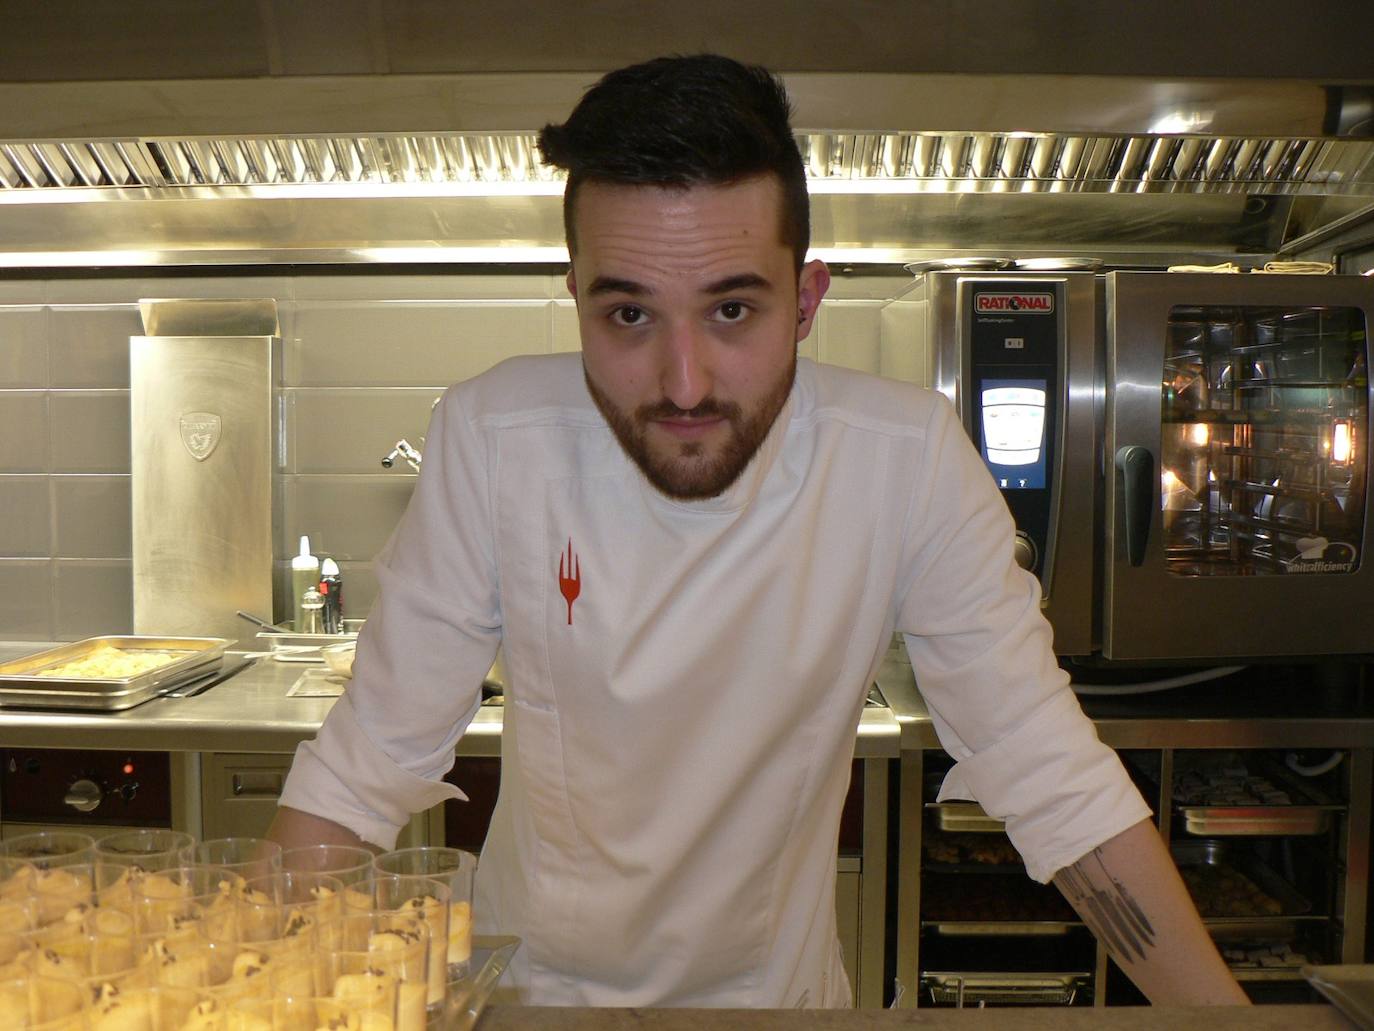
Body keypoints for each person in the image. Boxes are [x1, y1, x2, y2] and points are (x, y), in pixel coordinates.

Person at [269, 54, 1248, 1008]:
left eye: (732, 308)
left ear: (807, 301)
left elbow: (1053, 775)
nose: (684, 382)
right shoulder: (494, 438)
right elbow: (363, 767)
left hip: (776, 1002)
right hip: (537, 998)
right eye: (629, 314)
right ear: (576, 297)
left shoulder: (902, 460)